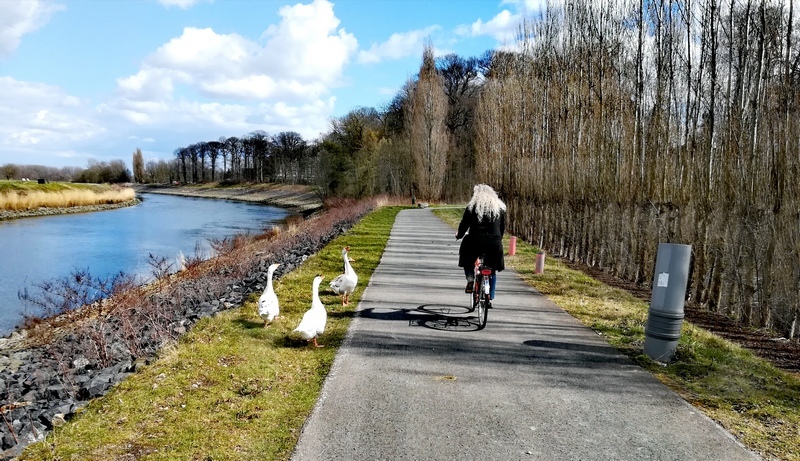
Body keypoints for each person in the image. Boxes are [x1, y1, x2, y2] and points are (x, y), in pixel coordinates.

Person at [455, 184, 506, 305]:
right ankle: (490, 297)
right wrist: (498, 239)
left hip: (475, 241)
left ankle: (470, 278)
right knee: (491, 268)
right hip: (494, 242)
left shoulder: (472, 207)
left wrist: (459, 235)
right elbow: (502, 228)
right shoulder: (499, 208)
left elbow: (464, 224)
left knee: (466, 255)